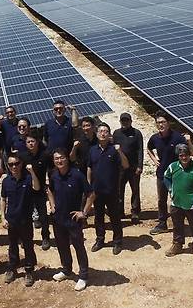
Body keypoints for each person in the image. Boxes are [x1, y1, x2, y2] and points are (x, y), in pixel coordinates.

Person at [47, 148, 95, 292]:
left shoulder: (77, 175)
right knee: (62, 246)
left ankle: (84, 275)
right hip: (58, 218)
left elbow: (91, 194)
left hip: (73, 219)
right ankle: (67, 270)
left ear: (67, 158)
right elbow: (49, 190)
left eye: (61, 158)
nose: (59, 161)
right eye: (56, 159)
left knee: (78, 246)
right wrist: (52, 204)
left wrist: (84, 212)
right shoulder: (54, 175)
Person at [147, 110, 193, 235]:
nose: (160, 125)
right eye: (158, 123)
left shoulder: (178, 137)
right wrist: (154, 159)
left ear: (168, 123)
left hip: (176, 175)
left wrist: (189, 141)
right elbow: (148, 148)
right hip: (162, 174)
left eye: (163, 122)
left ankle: (180, 223)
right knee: (161, 200)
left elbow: (192, 153)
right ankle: (162, 223)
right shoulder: (155, 138)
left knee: (178, 199)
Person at [163, 144, 193, 263]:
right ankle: (178, 244)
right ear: (178, 156)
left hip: (192, 204)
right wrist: (170, 189)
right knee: (177, 225)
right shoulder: (172, 166)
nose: (184, 158)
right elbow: (166, 177)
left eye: (186, 155)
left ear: (190, 155)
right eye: (181, 156)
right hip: (176, 203)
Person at [87, 123, 129, 255]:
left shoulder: (114, 150)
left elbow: (126, 165)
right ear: (97, 133)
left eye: (106, 131)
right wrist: (89, 186)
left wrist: (119, 151)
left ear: (109, 134)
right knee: (98, 217)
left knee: (115, 217)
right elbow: (89, 168)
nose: (103, 133)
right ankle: (100, 239)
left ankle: (117, 241)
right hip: (97, 191)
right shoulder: (92, 150)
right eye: (100, 131)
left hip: (112, 190)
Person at [1, 154, 41, 287]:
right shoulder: (6, 181)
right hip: (11, 219)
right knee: (12, 245)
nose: (14, 167)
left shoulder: (28, 179)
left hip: (25, 219)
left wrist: (32, 171)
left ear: (21, 164)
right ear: (8, 165)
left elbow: (37, 187)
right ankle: (12, 267)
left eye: (16, 163)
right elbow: (3, 199)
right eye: (11, 164)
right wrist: (2, 217)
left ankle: (29, 270)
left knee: (28, 245)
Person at [18, 134, 51, 250]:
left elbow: (51, 170)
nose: (31, 144)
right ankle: (25, 238)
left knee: (43, 216)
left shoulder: (45, 155)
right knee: (26, 216)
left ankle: (46, 237)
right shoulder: (22, 157)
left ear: (37, 142)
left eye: (32, 141)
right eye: (28, 142)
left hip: (40, 190)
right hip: (26, 191)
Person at [112, 112, 144, 224]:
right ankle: (120, 211)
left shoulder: (136, 133)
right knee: (119, 190)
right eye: (123, 120)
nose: (124, 122)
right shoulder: (116, 133)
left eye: (127, 120)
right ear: (120, 121)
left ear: (131, 121)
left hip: (134, 167)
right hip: (119, 168)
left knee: (135, 190)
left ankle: (135, 212)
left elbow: (140, 150)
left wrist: (140, 166)